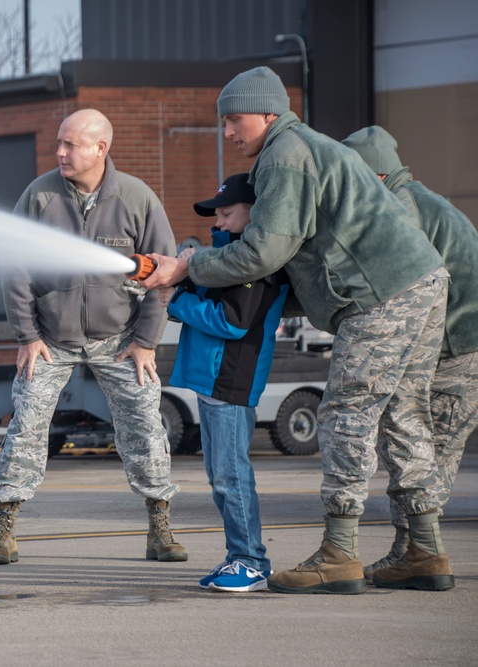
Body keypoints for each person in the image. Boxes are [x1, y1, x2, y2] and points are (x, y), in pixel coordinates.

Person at [140, 66, 452, 594]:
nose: (228, 132)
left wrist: (185, 269)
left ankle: (340, 552)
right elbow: (289, 272)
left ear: (267, 112)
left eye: (234, 119)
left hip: (381, 296)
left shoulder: (284, 155)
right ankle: (423, 549)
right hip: (421, 282)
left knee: (345, 413)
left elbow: (264, 253)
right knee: (402, 413)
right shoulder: (309, 148)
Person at [0, 108, 183, 566]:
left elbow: (164, 275)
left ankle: (160, 529)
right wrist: (27, 335)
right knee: (25, 428)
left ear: (100, 148)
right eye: (59, 142)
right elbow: (15, 269)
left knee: (146, 428)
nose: (60, 152)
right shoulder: (39, 197)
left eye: (70, 144)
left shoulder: (137, 199)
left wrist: (147, 340)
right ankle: (3, 531)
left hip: (121, 339)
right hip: (50, 339)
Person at [341, 125, 478, 585]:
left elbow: (396, 284)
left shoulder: (403, 208)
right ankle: (411, 552)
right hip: (457, 347)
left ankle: (421, 556)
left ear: (374, 176)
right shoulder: (419, 198)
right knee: (423, 448)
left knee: (424, 448)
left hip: (457, 352)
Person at [167, 173, 289, 592]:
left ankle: (252, 561)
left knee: (231, 476)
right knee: (220, 477)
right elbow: (207, 301)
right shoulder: (224, 262)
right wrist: (185, 274)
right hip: (211, 383)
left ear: (256, 214)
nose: (217, 222)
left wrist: (177, 301)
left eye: (226, 213)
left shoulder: (257, 267)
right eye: (215, 214)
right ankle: (239, 556)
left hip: (231, 383)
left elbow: (231, 322)